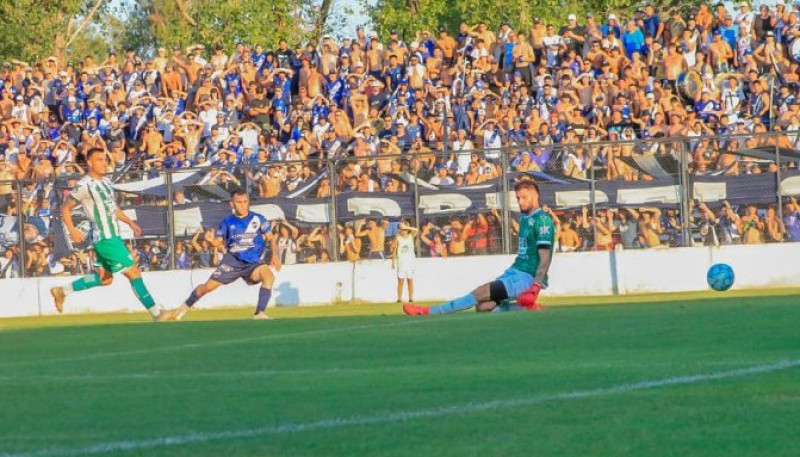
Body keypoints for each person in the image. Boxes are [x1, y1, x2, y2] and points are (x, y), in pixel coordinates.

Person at [49, 147, 171, 321]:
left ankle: (62, 291)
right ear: (90, 162)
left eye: (105, 159)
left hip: (111, 236)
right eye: (99, 159)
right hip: (105, 238)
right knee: (133, 272)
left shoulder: (106, 182)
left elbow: (112, 208)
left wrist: (129, 221)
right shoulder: (84, 185)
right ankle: (157, 314)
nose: (104, 162)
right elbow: (65, 208)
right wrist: (72, 230)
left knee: (105, 279)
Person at [403, 179, 554, 315]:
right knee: (483, 307)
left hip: (526, 277)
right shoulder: (526, 219)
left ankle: (430, 311)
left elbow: (545, 257)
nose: (520, 202)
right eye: (518, 198)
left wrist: (535, 286)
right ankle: (525, 307)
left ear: (535, 196)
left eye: (524, 198)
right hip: (514, 272)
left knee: (479, 292)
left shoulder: (543, 220)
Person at [165, 190, 281, 320]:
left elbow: (271, 238)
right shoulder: (227, 222)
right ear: (232, 204)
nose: (243, 205)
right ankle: (181, 310)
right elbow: (218, 242)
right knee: (206, 288)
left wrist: (275, 255)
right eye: (239, 202)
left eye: (245, 202)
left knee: (268, 276)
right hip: (233, 262)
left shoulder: (258, 219)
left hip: (253, 262)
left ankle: (259, 313)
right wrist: (210, 241)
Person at [392, 220, 418, 303]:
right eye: (401, 229)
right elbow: (395, 250)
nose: (403, 231)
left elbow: (417, 230)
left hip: (410, 262)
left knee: (410, 280)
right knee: (400, 281)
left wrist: (407, 227)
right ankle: (399, 298)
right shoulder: (398, 237)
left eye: (404, 229)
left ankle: (411, 298)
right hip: (401, 262)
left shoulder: (411, 236)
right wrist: (393, 261)